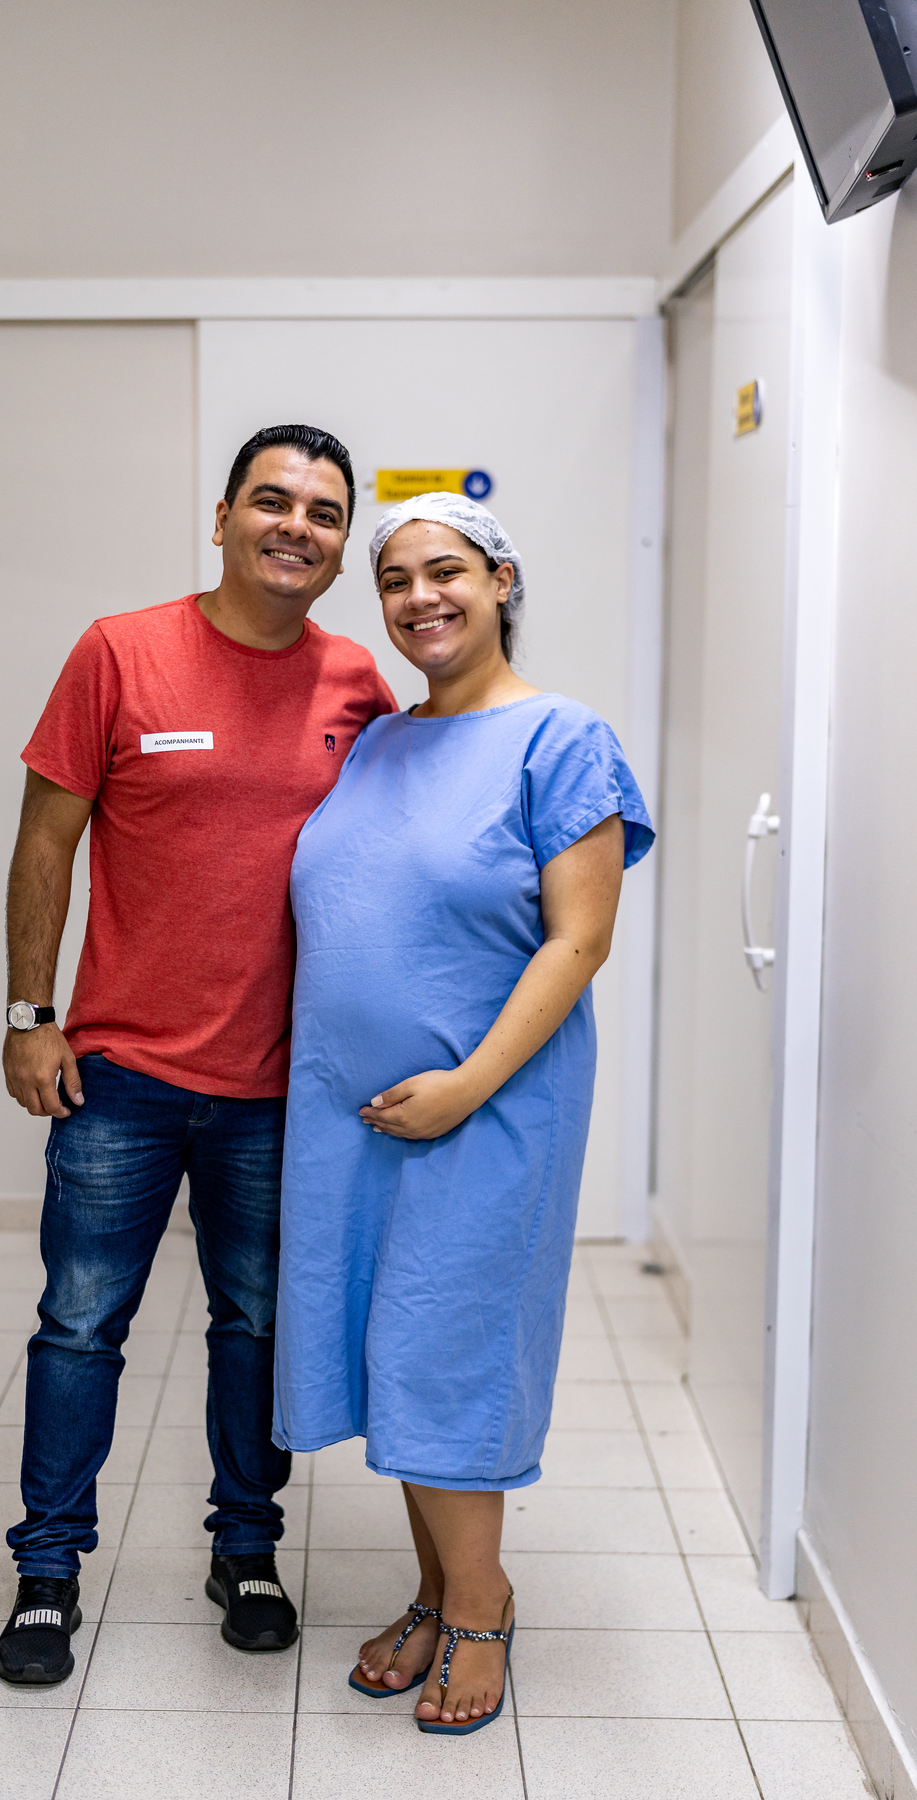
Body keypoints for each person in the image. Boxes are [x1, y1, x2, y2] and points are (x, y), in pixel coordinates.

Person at [0, 424, 395, 1685]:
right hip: (118, 1072)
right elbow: (46, 841)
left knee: (257, 1324)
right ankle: (47, 1568)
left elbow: (398, 859)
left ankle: (247, 1546)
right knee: (79, 1324)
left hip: (283, 1086)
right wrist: (29, 1014)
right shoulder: (120, 652)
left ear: (341, 547)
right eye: (271, 501)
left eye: (323, 513)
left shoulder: (356, 685)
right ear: (221, 519)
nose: (296, 526)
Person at [273, 492, 653, 1734]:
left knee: (450, 1349)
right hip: (354, 1117)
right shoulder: (381, 741)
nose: (419, 598)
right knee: (394, 1350)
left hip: (490, 1111)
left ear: (500, 583)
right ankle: (435, 1592)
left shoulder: (562, 737)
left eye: (446, 572)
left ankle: (482, 1607)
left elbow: (579, 939)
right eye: (394, 581)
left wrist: (468, 1085)